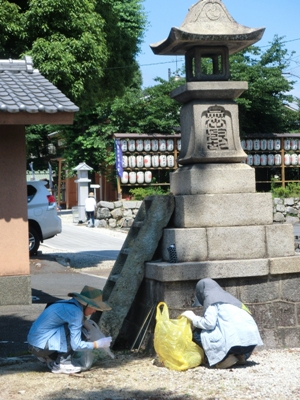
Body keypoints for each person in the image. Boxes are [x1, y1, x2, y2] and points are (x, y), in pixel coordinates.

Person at [27, 286, 112, 374]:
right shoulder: (76, 312)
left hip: (35, 345)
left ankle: (49, 358)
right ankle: (63, 364)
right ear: (86, 304)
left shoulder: (66, 304)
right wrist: (96, 344)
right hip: (41, 347)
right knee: (82, 332)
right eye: (94, 307)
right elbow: (76, 345)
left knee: (76, 328)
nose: (94, 311)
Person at [181, 278, 263, 369]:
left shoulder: (211, 299)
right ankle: (240, 356)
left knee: (197, 333)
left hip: (235, 345)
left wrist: (193, 317)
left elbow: (209, 324)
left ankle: (224, 359)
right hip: (250, 344)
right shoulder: (230, 298)